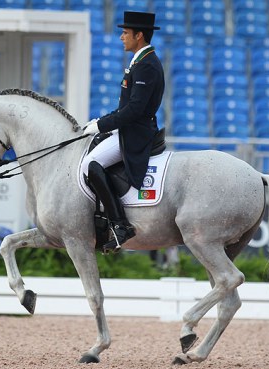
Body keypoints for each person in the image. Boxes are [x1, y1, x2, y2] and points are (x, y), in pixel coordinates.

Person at [81, 11, 165, 253]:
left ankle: (120, 224)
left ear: (139, 36)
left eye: (125, 33)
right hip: (128, 128)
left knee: (91, 163)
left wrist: (101, 125)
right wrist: (103, 121)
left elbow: (136, 109)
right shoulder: (140, 61)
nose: (121, 37)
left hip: (135, 133)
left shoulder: (147, 64)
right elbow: (127, 107)